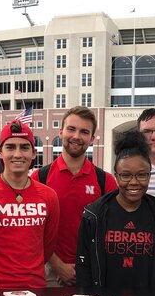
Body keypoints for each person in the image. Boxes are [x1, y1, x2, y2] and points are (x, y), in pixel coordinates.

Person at [0, 121, 59, 290]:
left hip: (35, 289)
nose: (17, 154)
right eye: (10, 147)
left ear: (33, 153)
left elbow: (47, 245)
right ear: (0, 152)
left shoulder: (49, 196)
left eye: (24, 147)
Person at [30, 106, 117, 286]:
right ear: (61, 132)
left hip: (92, 271)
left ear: (92, 139)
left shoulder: (105, 181)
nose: (76, 136)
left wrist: (86, 265)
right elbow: (34, 231)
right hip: (50, 272)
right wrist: (58, 265)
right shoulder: (40, 178)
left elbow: (110, 232)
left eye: (84, 132)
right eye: (71, 129)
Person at [76, 130, 155, 288]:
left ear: (149, 175)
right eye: (126, 175)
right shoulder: (94, 215)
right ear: (116, 176)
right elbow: (83, 266)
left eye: (141, 175)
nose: (134, 182)